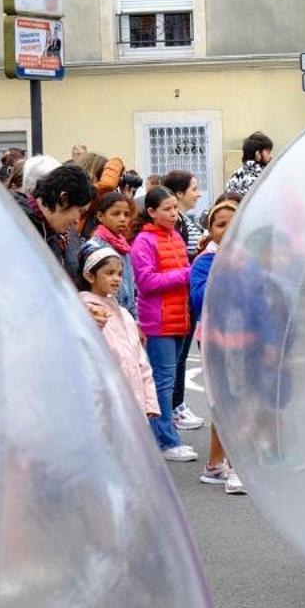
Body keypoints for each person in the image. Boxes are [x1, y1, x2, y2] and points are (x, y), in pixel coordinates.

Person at [130, 186, 198, 462]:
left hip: (179, 318)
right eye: (167, 209)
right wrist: (186, 274)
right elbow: (146, 282)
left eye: (174, 208)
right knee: (162, 383)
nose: (173, 213)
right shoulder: (144, 242)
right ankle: (166, 441)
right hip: (157, 323)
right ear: (151, 212)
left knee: (166, 381)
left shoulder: (175, 238)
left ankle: (164, 437)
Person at [191, 198, 246, 494]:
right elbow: (199, 299)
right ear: (210, 231)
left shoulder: (249, 258)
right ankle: (235, 467)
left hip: (246, 338)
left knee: (234, 401)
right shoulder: (205, 262)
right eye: (220, 224)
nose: (227, 230)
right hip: (216, 340)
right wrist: (226, 272)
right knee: (227, 401)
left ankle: (215, 465)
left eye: (232, 223)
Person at [75, 242, 158, 434]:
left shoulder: (124, 315)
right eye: (109, 273)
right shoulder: (85, 312)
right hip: (105, 405)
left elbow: (141, 361)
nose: (117, 279)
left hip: (132, 402)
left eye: (120, 274)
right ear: (89, 275)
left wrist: (149, 402)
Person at [160, 170, 208, 432]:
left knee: (178, 356)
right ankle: (174, 406)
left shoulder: (184, 221)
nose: (198, 193)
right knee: (174, 360)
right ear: (178, 194)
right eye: (193, 189)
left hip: (184, 294)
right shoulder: (174, 223)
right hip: (178, 295)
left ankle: (178, 404)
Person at [19, 162, 95, 275]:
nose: (77, 220)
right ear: (63, 199)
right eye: (80, 211)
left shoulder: (50, 232)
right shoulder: (17, 226)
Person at [86, 188, 139, 313]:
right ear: (100, 216)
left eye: (126, 214)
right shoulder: (94, 247)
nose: (122, 219)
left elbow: (131, 289)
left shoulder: (124, 247)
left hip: (125, 315)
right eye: (116, 214)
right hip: (105, 313)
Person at [225, 131, 273, 198]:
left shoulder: (236, 175)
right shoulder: (261, 178)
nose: (271, 156)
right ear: (258, 154)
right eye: (268, 152)